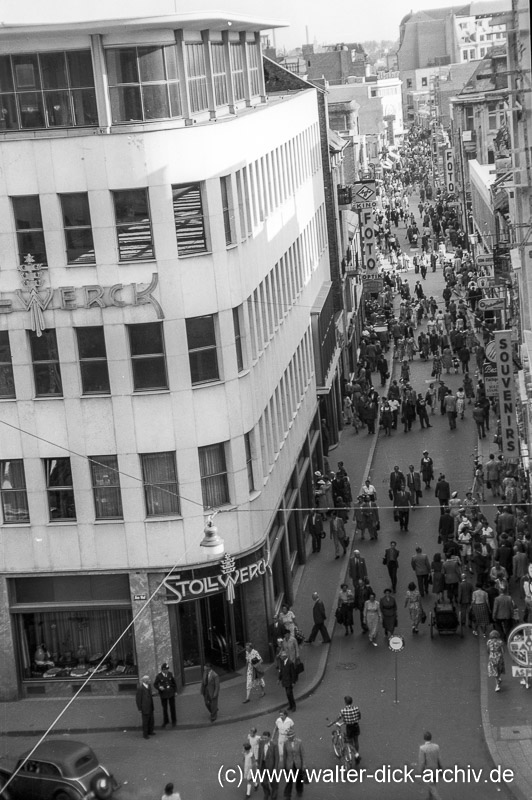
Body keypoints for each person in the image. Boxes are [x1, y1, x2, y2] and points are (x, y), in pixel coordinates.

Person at [327, 695, 362, 763]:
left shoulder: (343, 711)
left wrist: (331, 724)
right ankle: (356, 755)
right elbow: (359, 716)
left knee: (349, 742)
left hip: (349, 727)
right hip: (356, 726)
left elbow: (338, 718)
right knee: (356, 740)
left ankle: (356, 754)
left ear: (345, 702)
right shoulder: (356, 708)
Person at [418, 731, 443, 800]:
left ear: (424, 738)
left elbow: (422, 762)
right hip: (435, 769)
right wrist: (441, 769)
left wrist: (421, 771)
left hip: (428, 771)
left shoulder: (422, 748)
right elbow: (439, 759)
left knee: (432, 786)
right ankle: (430, 797)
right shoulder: (436, 747)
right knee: (432, 784)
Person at [282, 728, 305, 799]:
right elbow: (285, 755)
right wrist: (284, 765)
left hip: (298, 763)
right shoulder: (285, 743)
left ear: (293, 736)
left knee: (299, 779)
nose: (289, 738)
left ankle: (299, 791)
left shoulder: (299, 742)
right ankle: (288, 795)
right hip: (289, 764)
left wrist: (303, 764)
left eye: (290, 736)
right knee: (289, 780)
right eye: (288, 736)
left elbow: (302, 754)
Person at [154, 662, 177, 728]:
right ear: (163, 670)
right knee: (165, 708)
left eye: (167, 669)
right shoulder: (159, 676)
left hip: (171, 693)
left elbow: (174, 683)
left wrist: (175, 691)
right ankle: (166, 720)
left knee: (172, 707)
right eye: (166, 669)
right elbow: (155, 684)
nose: (167, 670)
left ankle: (174, 720)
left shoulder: (170, 674)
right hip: (163, 694)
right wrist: (159, 688)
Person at [257, 731, 279, 799]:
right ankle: (267, 792)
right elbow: (259, 753)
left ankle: (274, 794)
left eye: (265, 738)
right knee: (263, 782)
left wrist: (275, 768)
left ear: (269, 738)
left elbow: (277, 757)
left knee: (273, 782)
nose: (264, 740)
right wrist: (258, 764)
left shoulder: (274, 745)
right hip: (262, 765)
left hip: (271, 766)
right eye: (263, 738)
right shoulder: (261, 743)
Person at [136, 674, 155, 740]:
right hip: (145, 707)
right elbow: (138, 699)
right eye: (149, 680)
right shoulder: (140, 688)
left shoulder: (149, 686)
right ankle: (145, 734)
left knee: (151, 720)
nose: (150, 680)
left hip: (150, 706)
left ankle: (150, 731)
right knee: (145, 721)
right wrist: (139, 708)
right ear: (145, 681)